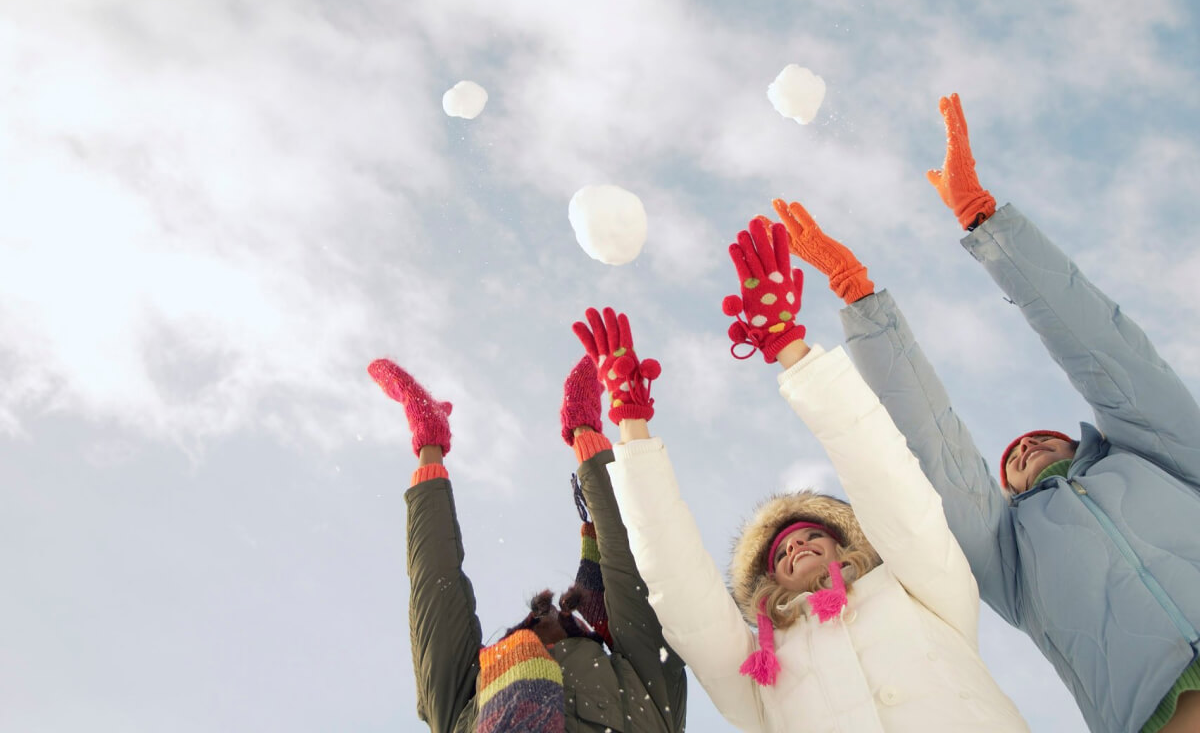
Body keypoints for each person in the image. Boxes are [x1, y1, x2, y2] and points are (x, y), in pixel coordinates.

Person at [767, 92, 1200, 733]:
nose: (1021, 450)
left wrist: (986, 221)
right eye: (1012, 461)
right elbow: (934, 446)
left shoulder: (1163, 458)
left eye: (1040, 441)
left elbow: (1104, 347)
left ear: (1081, 447)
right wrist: (860, 301)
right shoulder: (1009, 557)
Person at [571, 219, 1028, 733]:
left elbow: (885, 477)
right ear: (769, 580)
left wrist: (790, 346)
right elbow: (680, 589)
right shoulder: (759, 668)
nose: (797, 548)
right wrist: (632, 420)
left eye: (812, 535)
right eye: (783, 551)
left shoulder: (922, 589)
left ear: (847, 546)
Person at [370, 355, 686, 733]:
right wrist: (585, 432)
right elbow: (629, 560)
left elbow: (432, 590)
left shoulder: (464, 705)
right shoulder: (646, 694)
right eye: (539, 627)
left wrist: (429, 453)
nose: (544, 622)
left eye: (536, 624)